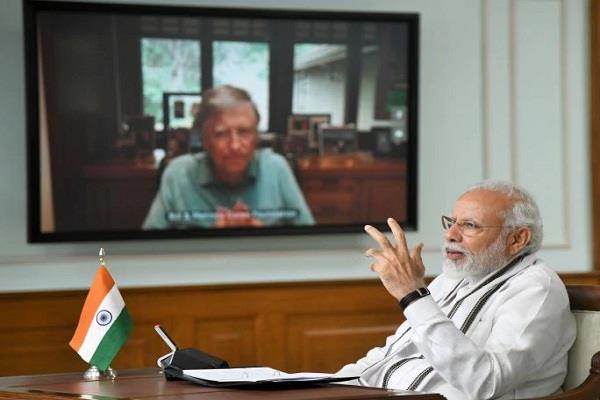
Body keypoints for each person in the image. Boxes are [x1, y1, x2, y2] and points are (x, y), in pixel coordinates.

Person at [338, 180, 576, 400]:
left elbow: (485, 381)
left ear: (517, 239)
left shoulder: (536, 290)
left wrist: (412, 295)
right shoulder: (452, 278)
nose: (450, 234)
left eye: (470, 225)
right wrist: (329, 385)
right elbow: (392, 354)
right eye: (451, 222)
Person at [143, 85, 315, 229]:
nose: (235, 145)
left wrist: (262, 239)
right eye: (221, 134)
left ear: (256, 137)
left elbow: (309, 244)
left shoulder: (276, 168)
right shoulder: (178, 174)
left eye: (244, 132)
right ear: (203, 140)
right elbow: (149, 249)